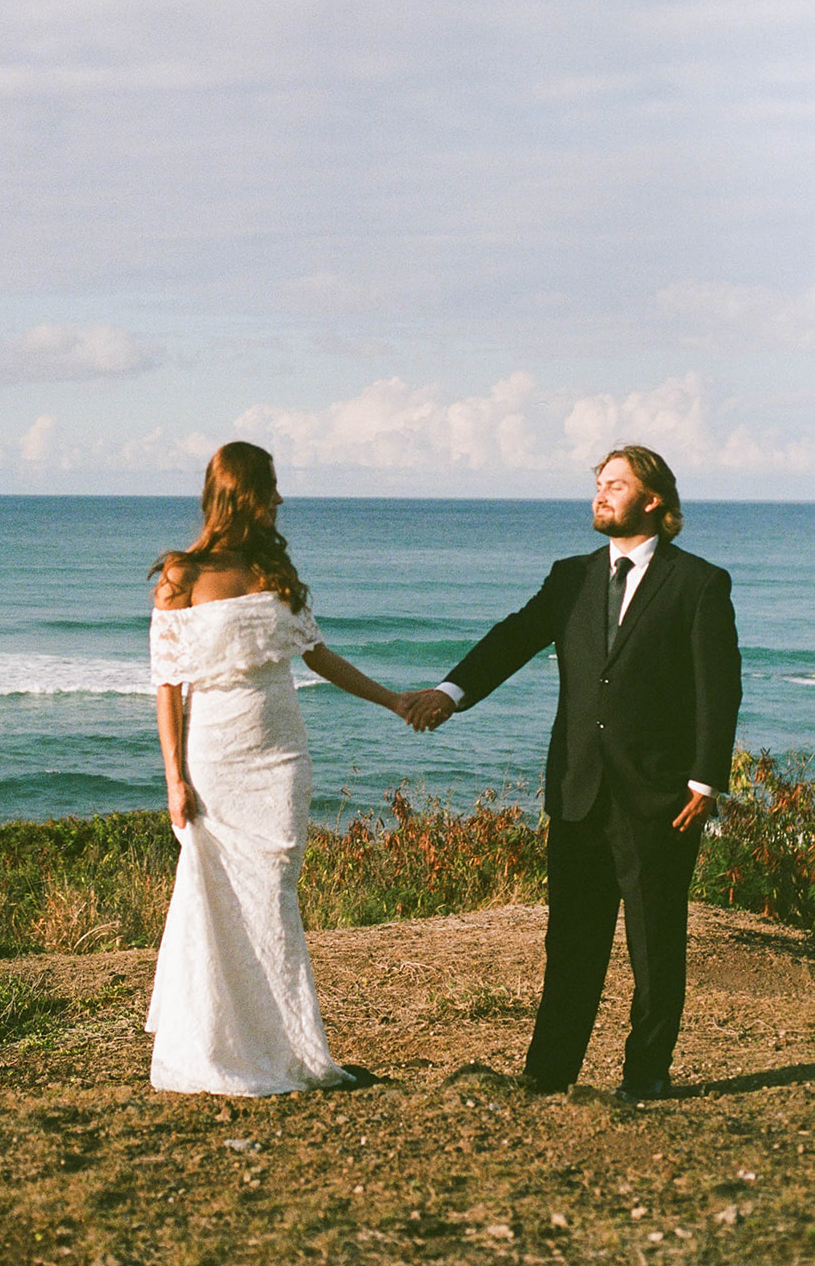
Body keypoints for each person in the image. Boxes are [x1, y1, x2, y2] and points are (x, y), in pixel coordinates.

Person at [405, 445, 742, 1101]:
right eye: (597, 483)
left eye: (615, 484)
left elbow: (717, 687)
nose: (600, 494)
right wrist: (451, 692)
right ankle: (548, 1074)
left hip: (659, 797)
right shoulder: (569, 577)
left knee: (654, 947)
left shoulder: (699, 582)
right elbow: (513, 636)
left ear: (652, 500)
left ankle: (644, 1077)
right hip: (577, 790)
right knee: (571, 945)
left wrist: (705, 779)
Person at [146, 440, 407, 1096]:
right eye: (271, 488)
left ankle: (292, 1049)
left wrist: (392, 699)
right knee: (215, 899)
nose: (281, 500)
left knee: (273, 897)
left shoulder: (273, 569)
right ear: (241, 494)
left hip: (279, 756)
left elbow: (317, 655)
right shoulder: (179, 576)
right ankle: (222, 1048)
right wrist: (174, 779)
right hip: (215, 759)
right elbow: (168, 686)